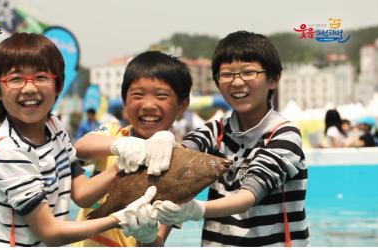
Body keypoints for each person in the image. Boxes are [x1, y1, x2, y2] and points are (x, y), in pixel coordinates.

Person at [0, 32, 156, 247]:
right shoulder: (8, 150)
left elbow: (82, 194)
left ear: (58, 85)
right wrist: (120, 219)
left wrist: (122, 166)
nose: (29, 87)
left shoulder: (55, 127)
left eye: (41, 77)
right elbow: (51, 233)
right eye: (15, 79)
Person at [132, 31, 310, 246]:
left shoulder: (284, 135)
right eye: (226, 74)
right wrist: (165, 139)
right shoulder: (215, 132)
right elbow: (181, 153)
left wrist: (196, 210)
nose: (236, 82)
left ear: (273, 79)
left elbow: (248, 197)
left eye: (248, 72)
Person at [72, 50, 192, 247]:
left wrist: (148, 237)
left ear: (182, 105)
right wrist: (119, 146)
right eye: (138, 95)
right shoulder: (114, 134)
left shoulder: (181, 169)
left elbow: (158, 242)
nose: (148, 105)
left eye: (161, 96)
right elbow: (81, 147)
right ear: (124, 102)